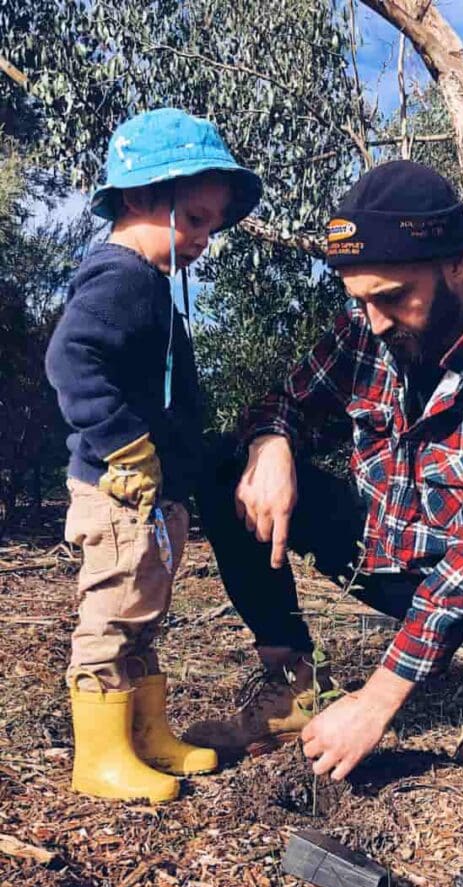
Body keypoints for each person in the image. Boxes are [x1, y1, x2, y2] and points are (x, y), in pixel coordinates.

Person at [187, 160, 463, 781]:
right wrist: (273, 442)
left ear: (456, 265)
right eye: (360, 299)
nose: (375, 320)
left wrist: (378, 699)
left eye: (392, 297)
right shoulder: (368, 327)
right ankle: (290, 682)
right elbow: (285, 401)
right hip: (399, 546)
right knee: (227, 466)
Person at [46, 107, 262, 803]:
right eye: (194, 219)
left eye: (209, 225)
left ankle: (145, 734)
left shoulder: (148, 284)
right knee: (112, 612)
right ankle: (100, 757)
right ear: (141, 198)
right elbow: (70, 360)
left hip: (148, 491)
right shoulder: (122, 278)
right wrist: (125, 446)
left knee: (142, 608)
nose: (204, 239)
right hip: (118, 490)